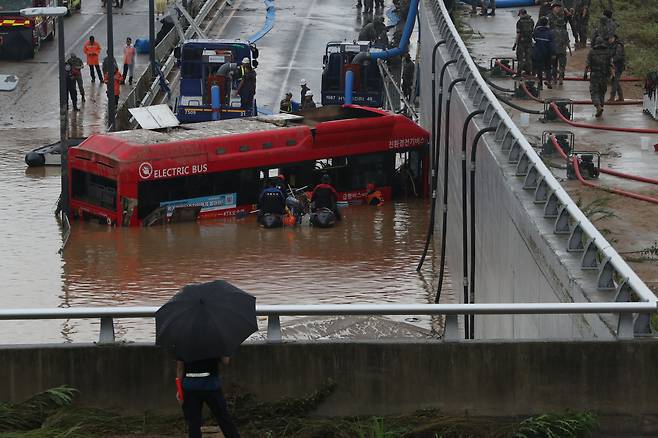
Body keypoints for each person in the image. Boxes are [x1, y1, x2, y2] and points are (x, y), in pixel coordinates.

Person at [176, 356, 240, 438]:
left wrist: (179, 390)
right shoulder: (214, 343)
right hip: (211, 385)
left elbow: (180, 368)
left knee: (193, 423)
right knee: (223, 418)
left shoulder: (183, 344)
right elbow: (225, 361)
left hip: (190, 386)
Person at [585, 36, 613, 117]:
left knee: (594, 92)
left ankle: (598, 107)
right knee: (602, 92)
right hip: (604, 75)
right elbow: (611, 65)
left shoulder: (592, 52)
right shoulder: (607, 52)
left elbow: (587, 65)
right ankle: (601, 107)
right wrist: (611, 75)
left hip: (595, 75)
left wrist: (585, 75)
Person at [548, 2, 569, 85]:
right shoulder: (549, 17)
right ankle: (555, 78)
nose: (558, 9)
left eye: (559, 7)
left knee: (560, 64)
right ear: (553, 8)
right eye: (556, 7)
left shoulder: (562, 17)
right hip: (556, 47)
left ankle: (559, 78)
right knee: (554, 64)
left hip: (559, 46)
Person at [533, 16, 554, 89]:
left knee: (539, 69)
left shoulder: (536, 31)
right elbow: (551, 45)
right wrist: (553, 53)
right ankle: (549, 81)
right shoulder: (550, 33)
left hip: (538, 53)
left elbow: (534, 40)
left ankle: (540, 85)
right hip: (547, 53)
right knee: (548, 68)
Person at [513, 9, 534, 76]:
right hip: (529, 41)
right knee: (528, 57)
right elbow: (532, 31)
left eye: (520, 15)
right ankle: (529, 72)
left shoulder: (520, 22)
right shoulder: (531, 21)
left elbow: (518, 34)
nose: (519, 16)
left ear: (522, 14)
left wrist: (515, 44)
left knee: (520, 58)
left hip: (521, 42)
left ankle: (519, 73)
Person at [607, 34, 625, 102]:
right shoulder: (612, 45)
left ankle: (612, 97)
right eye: (609, 38)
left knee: (615, 81)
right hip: (614, 66)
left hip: (618, 66)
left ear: (614, 38)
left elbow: (618, 56)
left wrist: (612, 60)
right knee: (615, 81)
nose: (609, 40)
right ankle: (621, 97)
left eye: (610, 38)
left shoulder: (618, 45)